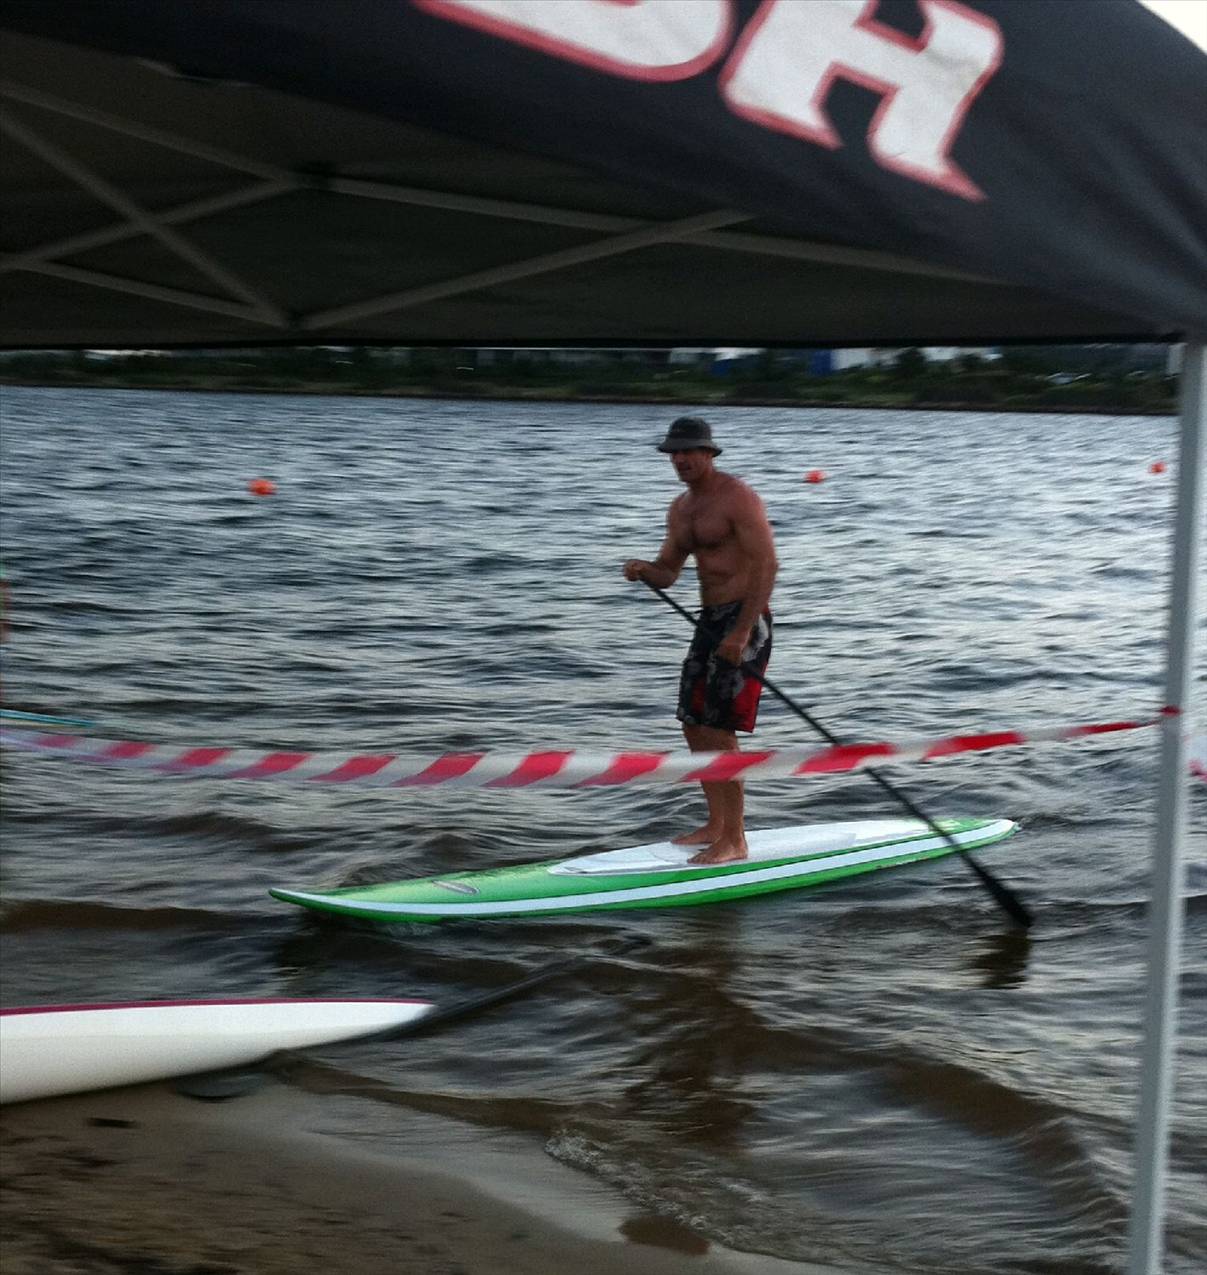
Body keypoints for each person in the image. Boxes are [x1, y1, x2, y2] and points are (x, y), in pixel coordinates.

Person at [622, 417, 777, 864]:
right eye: (674, 452)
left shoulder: (738, 497)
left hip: (746, 619)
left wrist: (742, 631)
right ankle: (716, 823)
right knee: (693, 722)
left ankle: (736, 838)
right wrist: (644, 570)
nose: (680, 459)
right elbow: (669, 573)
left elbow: (767, 564)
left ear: (709, 453)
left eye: (689, 450)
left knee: (719, 728)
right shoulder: (681, 509)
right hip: (709, 621)